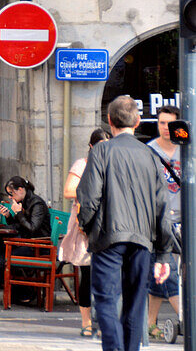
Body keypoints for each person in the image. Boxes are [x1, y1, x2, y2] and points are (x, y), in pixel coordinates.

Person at [77, 95, 175, 351]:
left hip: (108, 237)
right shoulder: (151, 156)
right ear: (138, 121)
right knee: (134, 303)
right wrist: (164, 254)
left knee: (107, 301)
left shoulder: (101, 151)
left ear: (109, 121)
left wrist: (87, 229)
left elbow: (88, 198)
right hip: (141, 240)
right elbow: (162, 208)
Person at [61, 127, 111, 338]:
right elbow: (68, 191)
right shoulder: (82, 164)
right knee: (88, 274)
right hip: (86, 225)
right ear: (91, 147)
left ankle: (105, 320)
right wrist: (92, 191)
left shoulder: (112, 165)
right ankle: (86, 321)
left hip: (108, 224)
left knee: (107, 276)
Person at [147, 105, 182, 339]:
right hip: (159, 222)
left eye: (170, 123)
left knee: (160, 273)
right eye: (161, 122)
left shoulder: (187, 150)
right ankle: (187, 318)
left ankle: (150, 323)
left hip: (185, 220)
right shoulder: (149, 151)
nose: (166, 128)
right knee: (167, 272)